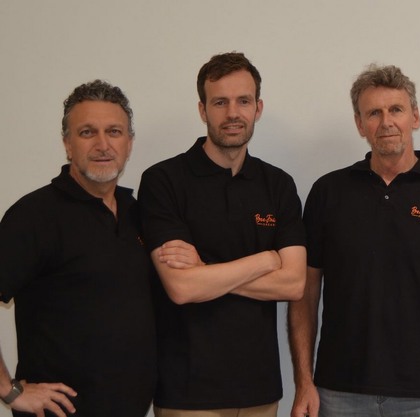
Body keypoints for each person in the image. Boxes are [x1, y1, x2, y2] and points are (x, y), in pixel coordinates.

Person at [288, 64, 420, 417]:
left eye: (396, 109)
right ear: (359, 124)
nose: (386, 122)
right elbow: (305, 294)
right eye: (373, 113)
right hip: (339, 393)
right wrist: (304, 381)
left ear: (415, 116)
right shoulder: (328, 192)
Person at [138, 52, 306, 417]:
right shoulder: (163, 181)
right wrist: (266, 259)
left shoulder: (278, 184)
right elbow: (181, 288)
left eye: (243, 101)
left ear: (258, 108)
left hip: (261, 393)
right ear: (203, 110)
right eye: (220, 102)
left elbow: (294, 283)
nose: (233, 113)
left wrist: (204, 270)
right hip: (187, 394)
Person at [0, 80, 157, 416]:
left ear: (129, 143)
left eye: (114, 132)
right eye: (87, 132)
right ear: (67, 144)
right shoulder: (34, 216)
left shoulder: (137, 213)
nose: (103, 144)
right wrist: (8, 391)